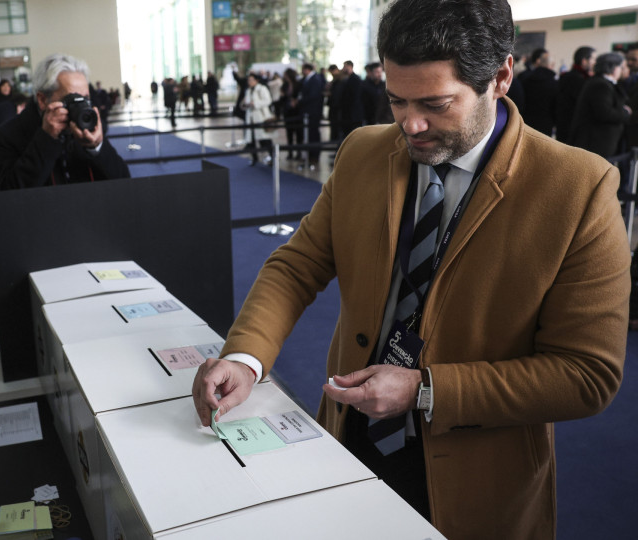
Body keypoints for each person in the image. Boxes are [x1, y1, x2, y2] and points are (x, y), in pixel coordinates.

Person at [190, 1, 628, 538]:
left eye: (436, 103)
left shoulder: (578, 189)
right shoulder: (363, 152)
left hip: (476, 476)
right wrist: (246, 356)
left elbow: (587, 374)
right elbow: (298, 264)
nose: (410, 124)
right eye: (396, 100)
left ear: (501, 76)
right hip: (348, 437)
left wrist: (427, 389)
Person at [0, 53, 129, 190]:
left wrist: (96, 147)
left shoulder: (89, 127)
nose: (81, 107)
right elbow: (9, 195)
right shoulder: (6, 136)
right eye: (72, 99)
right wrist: (46, 138)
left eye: (85, 99)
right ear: (43, 100)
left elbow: (125, 183)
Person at [570, 52, 633, 159]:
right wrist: (625, 113)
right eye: (621, 67)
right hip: (595, 142)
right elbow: (604, 113)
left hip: (601, 142)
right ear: (613, 67)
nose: (622, 70)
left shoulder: (604, 83)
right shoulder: (600, 85)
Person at [556, 46, 595, 143]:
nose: (595, 62)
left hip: (564, 127)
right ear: (584, 61)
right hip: (571, 130)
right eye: (593, 59)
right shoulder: (578, 80)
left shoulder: (567, 76)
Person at [520, 48, 559, 136]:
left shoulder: (526, 79)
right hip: (546, 124)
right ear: (552, 65)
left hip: (526, 121)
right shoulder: (554, 83)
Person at [242, 73, 273, 165]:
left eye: (251, 80)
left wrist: (255, 103)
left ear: (256, 80)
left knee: (264, 140)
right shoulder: (248, 90)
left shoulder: (262, 89)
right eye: (249, 80)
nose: (250, 82)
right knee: (251, 140)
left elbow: (268, 100)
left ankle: (271, 157)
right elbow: (245, 102)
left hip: (261, 118)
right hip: (250, 118)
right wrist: (245, 105)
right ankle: (254, 158)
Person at [297, 63, 325, 165]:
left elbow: (313, 96)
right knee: (309, 133)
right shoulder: (308, 79)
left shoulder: (315, 79)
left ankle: (314, 155)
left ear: (306, 69)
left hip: (313, 111)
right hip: (308, 111)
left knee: (313, 133)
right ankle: (310, 154)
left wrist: (300, 101)